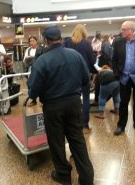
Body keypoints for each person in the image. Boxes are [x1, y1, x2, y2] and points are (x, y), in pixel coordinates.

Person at [27, 26, 94, 185]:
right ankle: (86, 177)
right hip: (74, 103)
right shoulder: (75, 55)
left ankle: (63, 175)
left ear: (45, 40)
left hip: (52, 106)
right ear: (60, 38)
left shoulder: (42, 61)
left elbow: (33, 91)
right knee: (77, 139)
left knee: (56, 141)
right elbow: (86, 79)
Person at [112, 20, 135, 135]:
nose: (121, 31)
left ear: (131, 31)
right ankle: (121, 125)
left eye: (123, 29)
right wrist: (117, 72)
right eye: (122, 29)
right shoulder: (117, 42)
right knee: (123, 102)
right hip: (124, 78)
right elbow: (114, 59)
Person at [64, 24, 96, 133]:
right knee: (85, 98)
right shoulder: (86, 43)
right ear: (84, 32)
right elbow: (92, 60)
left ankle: (72, 123)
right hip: (84, 74)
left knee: (72, 99)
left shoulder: (67, 42)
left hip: (70, 75)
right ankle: (85, 124)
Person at [23, 36, 38, 106]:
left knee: (41, 84)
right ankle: (33, 99)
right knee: (31, 84)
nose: (31, 42)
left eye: (33, 41)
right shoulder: (28, 50)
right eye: (30, 41)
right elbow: (24, 60)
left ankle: (43, 100)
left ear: (36, 41)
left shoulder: (40, 49)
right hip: (30, 69)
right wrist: (27, 59)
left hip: (39, 69)